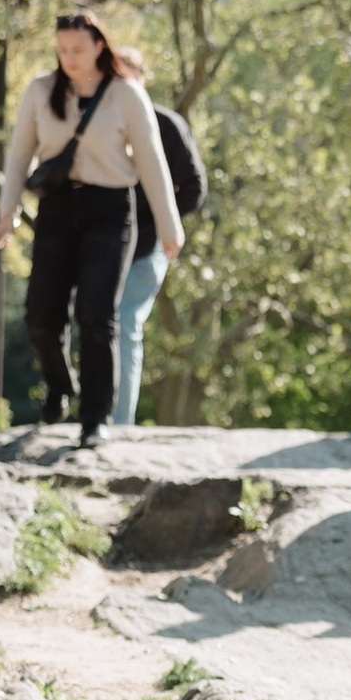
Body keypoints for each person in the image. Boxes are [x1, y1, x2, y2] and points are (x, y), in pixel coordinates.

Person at [0, 13, 186, 447]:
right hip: (57, 210)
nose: (69, 58)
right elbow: (20, 153)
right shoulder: (42, 90)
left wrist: (170, 226)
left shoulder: (126, 94)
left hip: (110, 209)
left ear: (100, 45)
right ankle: (61, 386)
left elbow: (152, 162)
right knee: (41, 316)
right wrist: (6, 212)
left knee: (97, 315)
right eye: (62, 50)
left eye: (78, 50)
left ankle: (95, 417)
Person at [104, 42, 205, 431]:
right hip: (104, 247)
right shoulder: (101, 124)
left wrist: (162, 222)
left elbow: (194, 188)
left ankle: (120, 424)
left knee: (125, 324)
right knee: (98, 325)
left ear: (143, 79)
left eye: (128, 76)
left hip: (146, 249)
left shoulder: (167, 125)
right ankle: (97, 417)